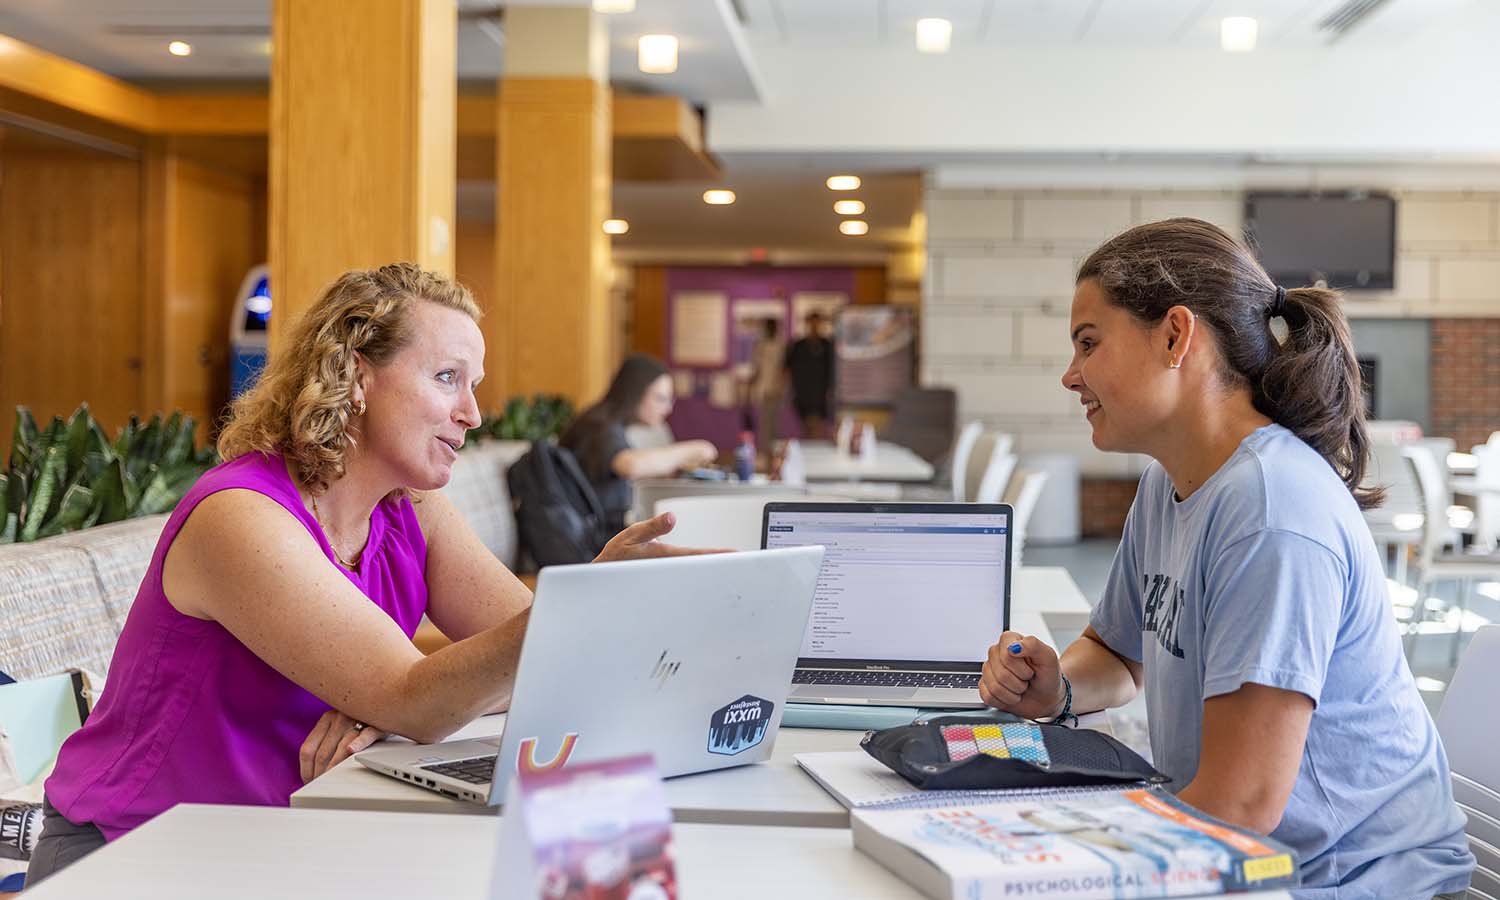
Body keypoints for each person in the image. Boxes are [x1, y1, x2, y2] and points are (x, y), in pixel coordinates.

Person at [27, 264, 704, 884]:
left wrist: (389, 702)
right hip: (139, 850)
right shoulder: (240, 518)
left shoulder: (412, 510)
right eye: (448, 378)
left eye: (475, 386)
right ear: (355, 378)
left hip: (294, 831)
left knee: (595, 865)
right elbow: (421, 695)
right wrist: (579, 602)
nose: (472, 412)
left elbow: (539, 670)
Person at [979, 219, 1473, 899]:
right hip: (1250, 854)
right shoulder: (1170, 481)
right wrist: (1056, 688)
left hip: (1343, 878)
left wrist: (1039, 852)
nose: (1071, 375)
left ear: (1176, 336)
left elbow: (1241, 805)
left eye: (1089, 344)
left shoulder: (1273, 511)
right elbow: (1119, 654)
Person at [558, 354, 717, 535]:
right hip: (590, 541)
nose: (668, 409)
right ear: (635, 393)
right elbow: (630, 465)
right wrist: (698, 448)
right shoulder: (598, 425)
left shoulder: (606, 421)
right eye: (660, 398)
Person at [746, 318, 786, 455]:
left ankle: (774, 453)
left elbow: (783, 369)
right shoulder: (760, 345)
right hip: (763, 389)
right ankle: (763, 453)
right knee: (764, 423)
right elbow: (756, 369)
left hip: (776, 390)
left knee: (775, 424)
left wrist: (780, 387)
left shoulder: (781, 345)